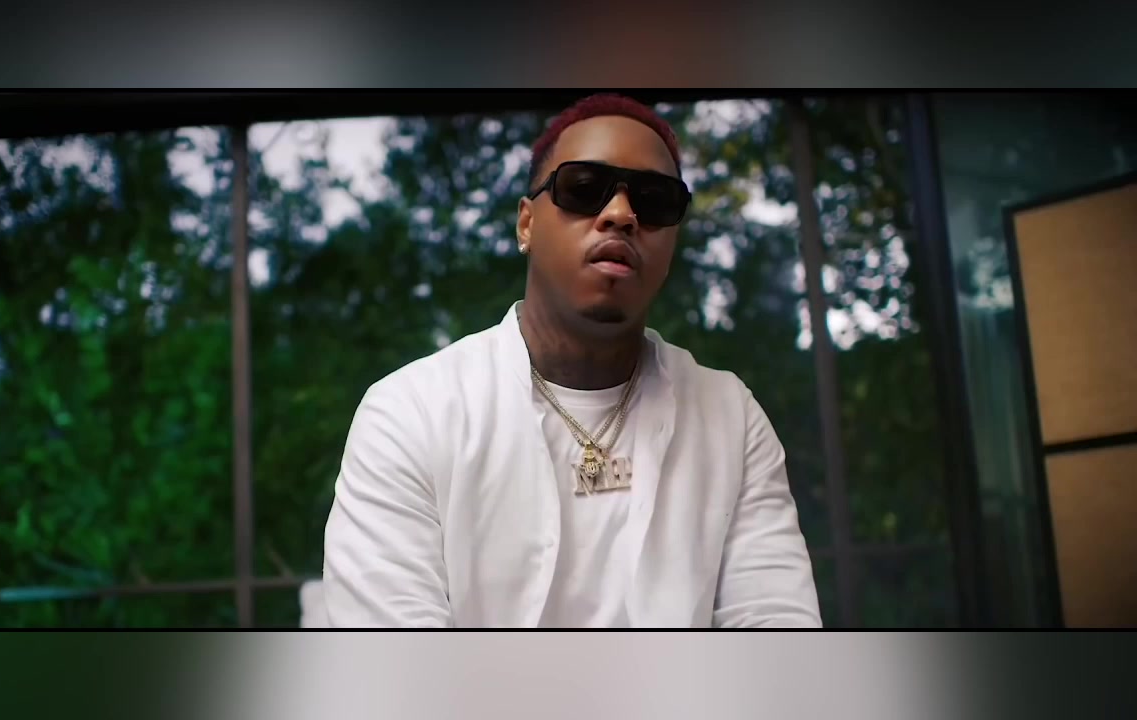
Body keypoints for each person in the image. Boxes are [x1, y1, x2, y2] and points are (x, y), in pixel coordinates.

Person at [322, 93, 821, 628]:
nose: (621, 215)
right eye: (584, 188)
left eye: (654, 201)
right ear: (526, 224)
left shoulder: (730, 415)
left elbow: (775, 632)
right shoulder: (410, 412)